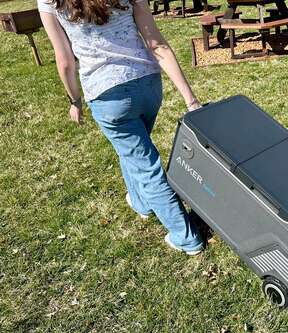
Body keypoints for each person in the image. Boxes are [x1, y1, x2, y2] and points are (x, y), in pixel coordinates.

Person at [37, 0, 204, 255]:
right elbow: (156, 43)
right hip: (148, 86)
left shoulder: (48, 1)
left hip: (108, 97)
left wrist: (75, 100)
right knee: (133, 151)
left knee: (145, 164)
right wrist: (190, 100)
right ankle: (141, 203)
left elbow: (65, 61)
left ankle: (185, 236)